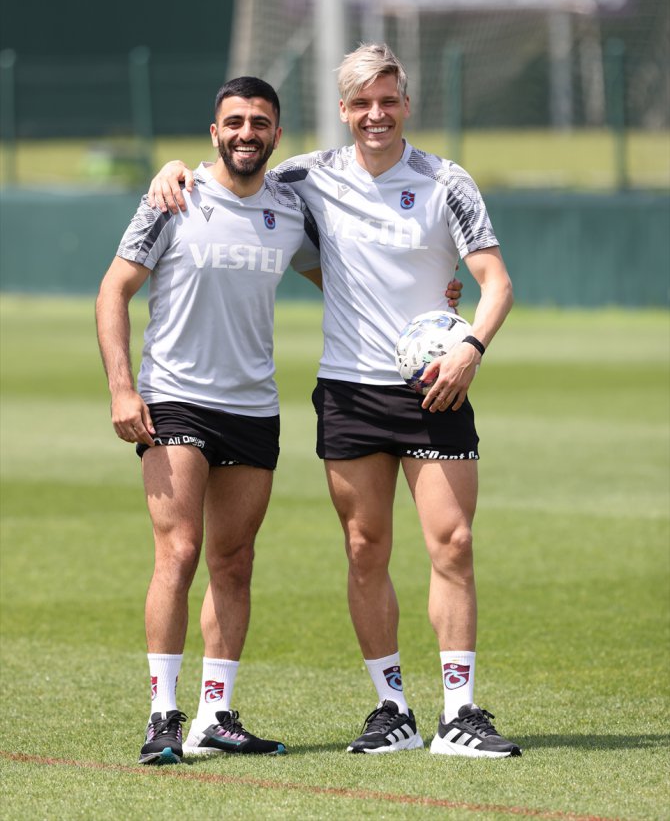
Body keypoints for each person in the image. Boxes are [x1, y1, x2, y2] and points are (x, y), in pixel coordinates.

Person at [148, 43, 520, 758]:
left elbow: (496, 282)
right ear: (344, 111)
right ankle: (393, 710)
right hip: (349, 390)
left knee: (454, 542)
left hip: (435, 385)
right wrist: (172, 170)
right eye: (361, 104)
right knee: (363, 548)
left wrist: (470, 346)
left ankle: (461, 712)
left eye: (388, 101)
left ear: (406, 104)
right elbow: (232, 173)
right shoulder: (306, 177)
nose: (376, 115)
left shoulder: (446, 181)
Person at [95, 76, 325, 765]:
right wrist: (122, 390)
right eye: (235, 121)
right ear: (215, 131)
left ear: (276, 133)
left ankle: (214, 716)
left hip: (253, 407)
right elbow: (113, 290)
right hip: (176, 397)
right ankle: (162, 715)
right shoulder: (174, 198)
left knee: (235, 560)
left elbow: (349, 279)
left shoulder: (289, 209)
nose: (246, 132)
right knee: (179, 551)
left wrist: (434, 298)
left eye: (259, 122)